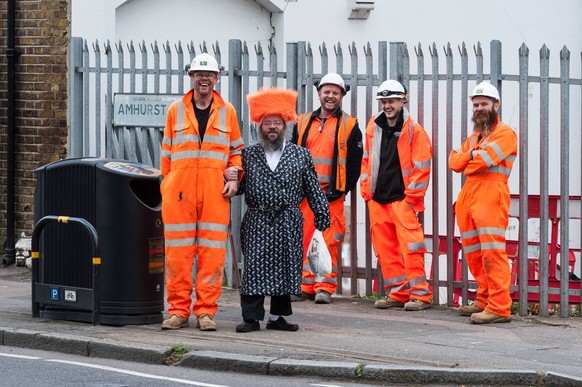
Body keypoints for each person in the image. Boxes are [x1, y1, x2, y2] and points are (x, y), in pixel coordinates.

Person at [232, 87, 330, 333]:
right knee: (254, 267)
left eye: (277, 122)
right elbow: (238, 186)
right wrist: (229, 178)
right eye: (267, 123)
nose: (272, 127)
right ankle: (251, 317)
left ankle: (277, 317)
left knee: (286, 266)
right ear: (260, 126)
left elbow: (312, 186)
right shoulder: (248, 155)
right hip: (258, 219)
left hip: (288, 219)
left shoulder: (300, 155)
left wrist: (322, 214)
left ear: (285, 125)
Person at [159, 52, 244, 332]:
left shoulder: (227, 111)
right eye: (198, 74)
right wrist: (168, 185)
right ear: (191, 77)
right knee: (177, 256)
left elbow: (236, 152)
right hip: (179, 195)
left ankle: (206, 312)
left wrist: (235, 179)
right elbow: (166, 155)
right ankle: (178, 311)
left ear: (217, 78)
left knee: (212, 255)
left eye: (209, 75)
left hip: (214, 194)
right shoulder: (176, 110)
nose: (203, 79)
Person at [360, 79, 433, 311]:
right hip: (378, 199)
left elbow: (422, 168)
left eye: (391, 101)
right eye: (384, 101)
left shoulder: (415, 131)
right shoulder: (374, 126)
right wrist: (367, 193)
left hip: (402, 200)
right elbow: (367, 161)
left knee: (411, 247)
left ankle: (420, 295)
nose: (387, 106)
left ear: (403, 100)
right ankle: (398, 292)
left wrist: (411, 199)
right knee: (385, 250)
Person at [291, 73, 363, 304]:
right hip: (304, 196)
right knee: (303, 239)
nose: (330, 96)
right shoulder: (302, 122)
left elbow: (354, 162)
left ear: (342, 95)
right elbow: (291, 155)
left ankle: (324, 287)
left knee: (328, 242)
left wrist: (343, 190)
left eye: (335, 92)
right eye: (327, 92)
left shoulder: (350, 125)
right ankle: (305, 285)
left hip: (331, 196)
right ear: (319, 93)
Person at [449, 81, 517, 324]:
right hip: (470, 195)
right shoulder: (475, 137)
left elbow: (482, 162)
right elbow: (454, 162)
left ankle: (499, 307)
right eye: (476, 104)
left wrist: (469, 158)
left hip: (491, 194)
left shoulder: (505, 133)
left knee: (492, 252)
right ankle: (484, 298)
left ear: (495, 105)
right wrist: (470, 155)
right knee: (474, 252)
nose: (479, 108)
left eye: (484, 104)